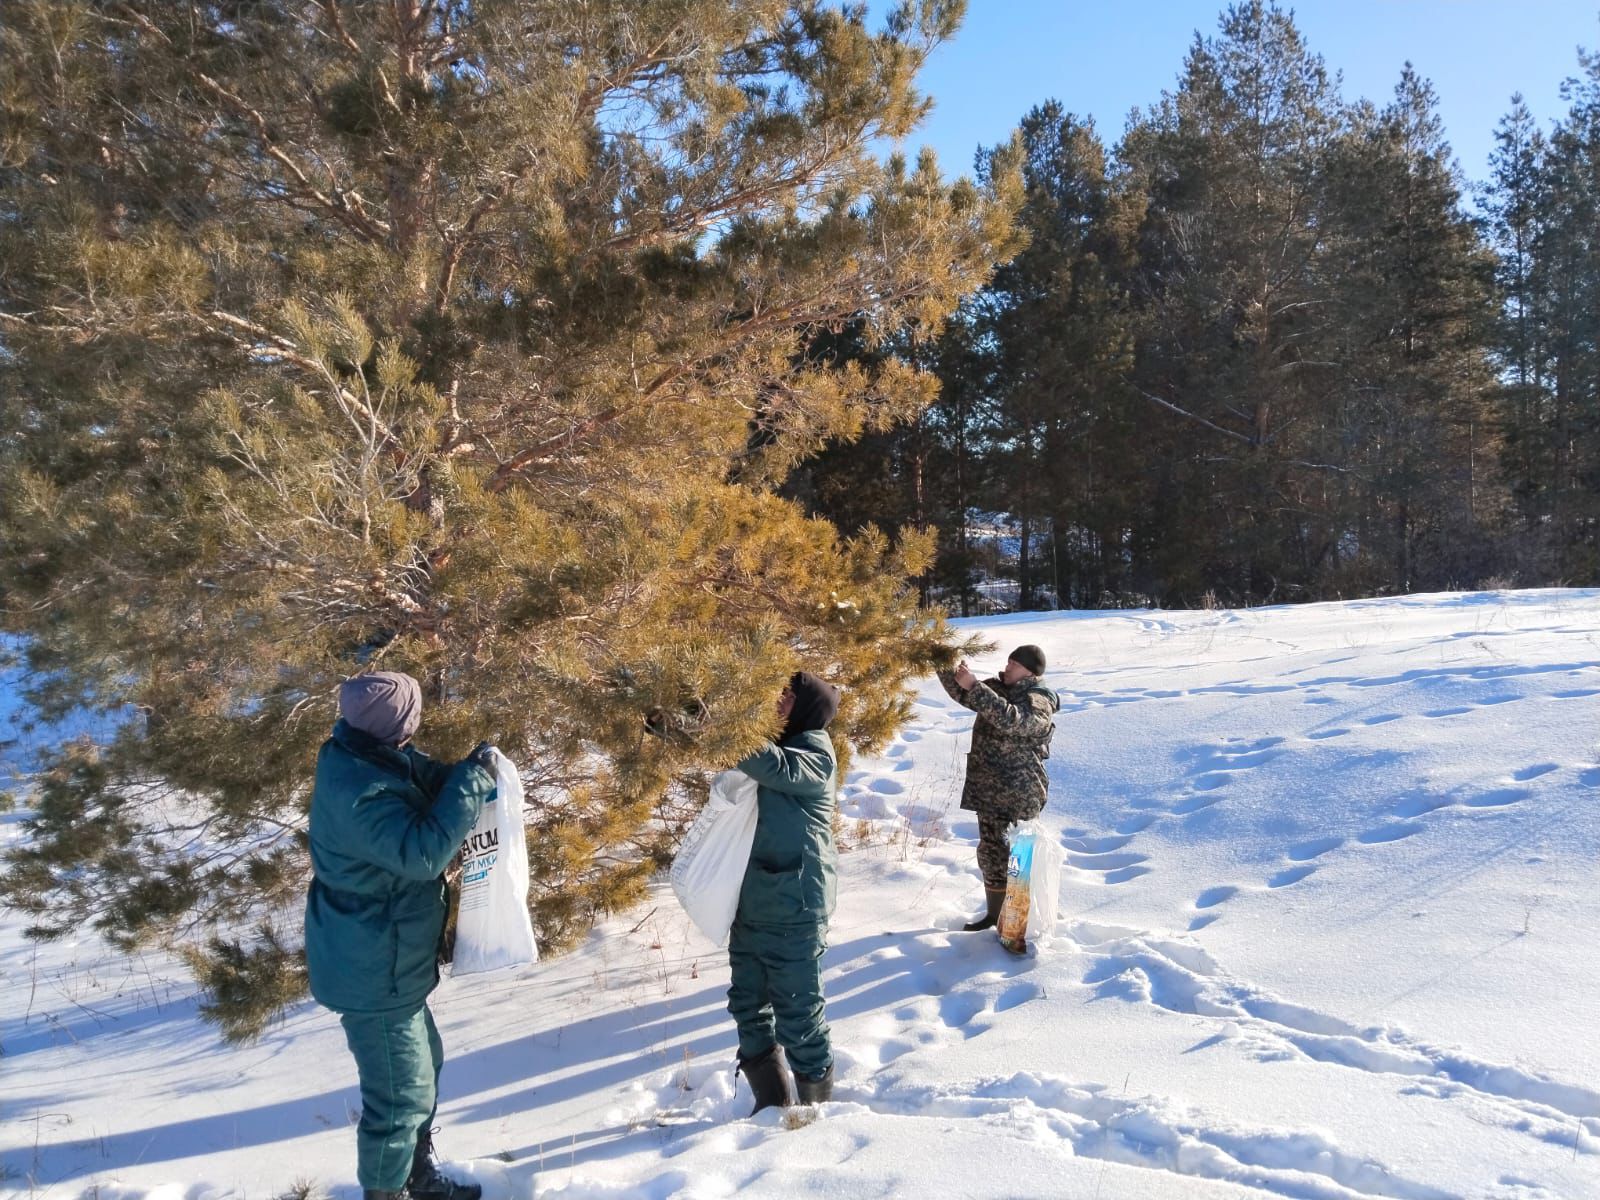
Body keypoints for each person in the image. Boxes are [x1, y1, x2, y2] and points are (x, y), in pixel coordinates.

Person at [304, 672, 498, 1200]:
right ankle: (385, 1192)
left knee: (423, 1066)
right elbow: (421, 854)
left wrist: (465, 773)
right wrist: (470, 786)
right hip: (371, 968)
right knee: (400, 1096)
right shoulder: (358, 793)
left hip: (385, 961)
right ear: (398, 724)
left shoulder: (363, 752)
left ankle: (418, 1179)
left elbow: (418, 774)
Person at [727, 671, 842, 1113]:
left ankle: (814, 1114)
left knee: (799, 1016)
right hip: (751, 903)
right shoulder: (774, 747)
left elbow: (771, 765)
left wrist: (725, 726)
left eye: (788, 697)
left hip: (795, 908)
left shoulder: (815, 753)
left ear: (807, 708)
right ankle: (771, 1109)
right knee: (748, 1009)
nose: (776, 701)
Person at [936, 645, 1061, 932]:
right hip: (991, 789)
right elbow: (962, 692)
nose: (1008, 666)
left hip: (1021, 792)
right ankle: (995, 916)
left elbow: (1019, 721)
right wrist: (940, 659)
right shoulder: (998, 689)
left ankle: (1015, 926)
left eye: (1014, 664)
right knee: (991, 852)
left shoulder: (1039, 698)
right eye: (1008, 661)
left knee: (1018, 856)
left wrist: (977, 687)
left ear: (1030, 671)